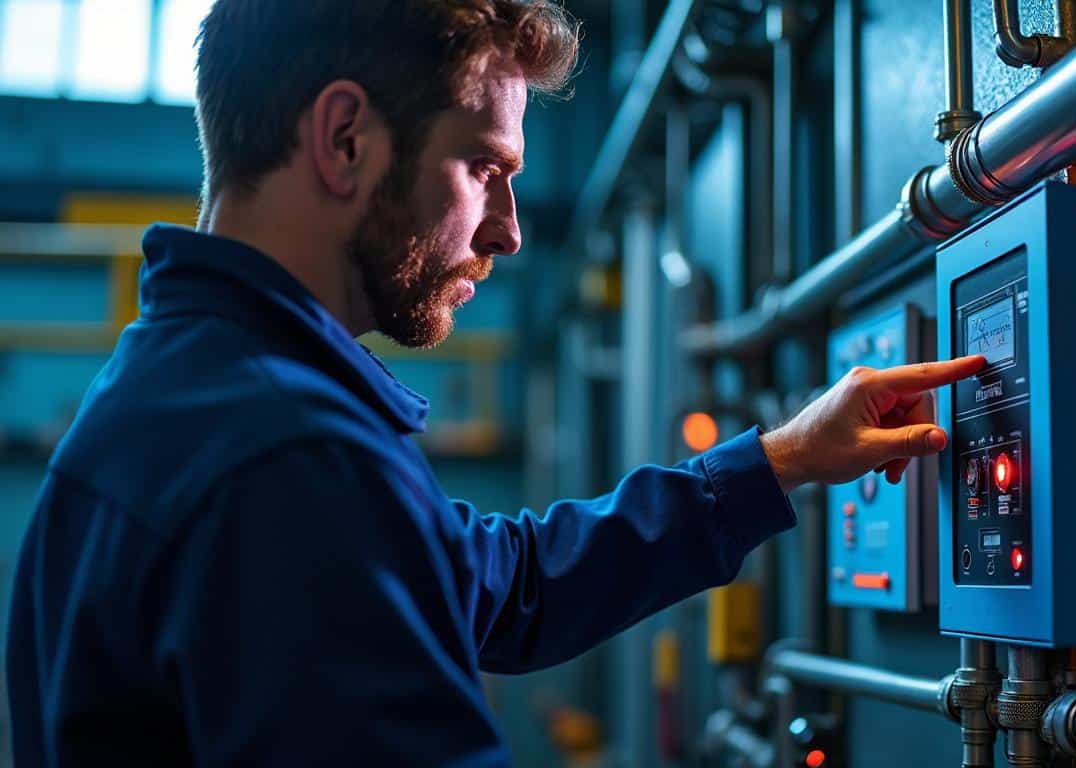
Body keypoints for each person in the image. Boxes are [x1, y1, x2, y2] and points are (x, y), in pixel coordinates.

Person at [4, 2, 984, 765]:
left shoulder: (184, 393)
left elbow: (497, 588)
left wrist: (784, 458)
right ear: (345, 138)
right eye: (483, 168)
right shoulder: (287, 461)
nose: (509, 230)